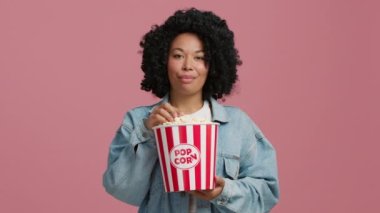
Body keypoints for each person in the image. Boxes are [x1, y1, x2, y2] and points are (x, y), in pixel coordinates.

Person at [103, 8, 279, 213]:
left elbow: (267, 194)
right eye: (178, 55)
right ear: (162, 61)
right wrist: (148, 134)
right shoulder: (139, 121)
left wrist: (223, 192)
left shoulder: (238, 125)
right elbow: (120, 189)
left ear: (213, 65)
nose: (188, 66)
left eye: (199, 57)